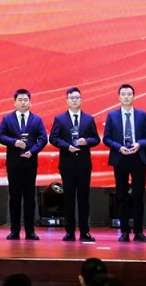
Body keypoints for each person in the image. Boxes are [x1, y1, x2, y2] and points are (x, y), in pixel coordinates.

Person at [49, 87, 100, 242]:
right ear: (67, 100)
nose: (74, 100)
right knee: (69, 198)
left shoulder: (89, 119)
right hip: (67, 164)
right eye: (71, 98)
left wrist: (86, 141)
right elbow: (53, 138)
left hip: (84, 164)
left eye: (77, 97)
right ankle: (69, 231)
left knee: (84, 199)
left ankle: (85, 231)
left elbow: (96, 139)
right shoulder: (60, 119)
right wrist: (67, 146)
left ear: (81, 99)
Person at [0, 88, 48, 240]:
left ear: (30, 102)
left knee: (30, 198)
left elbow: (43, 139)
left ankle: (30, 231)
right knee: (14, 198)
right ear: (15, 102)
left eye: (26, 100)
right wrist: (14, 142)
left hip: (30, 163)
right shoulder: (7, 119)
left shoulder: (36, 119)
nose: (23, 102)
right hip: (14, 164)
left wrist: (33, 151)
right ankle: (15, 231)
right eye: (20, 100)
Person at [102, 83, 146, 242]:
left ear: (134, 96)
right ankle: (124, 231)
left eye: (129, 94)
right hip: (120, 157)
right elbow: (106, 138)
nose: (126, 97)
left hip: (138, 158)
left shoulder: (142, 115)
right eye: (123, 94)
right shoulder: (112, 116)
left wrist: (139, 144)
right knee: (121, 196)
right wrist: (119, 147)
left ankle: (138, 232)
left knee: (138, 196)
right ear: (119, 97)